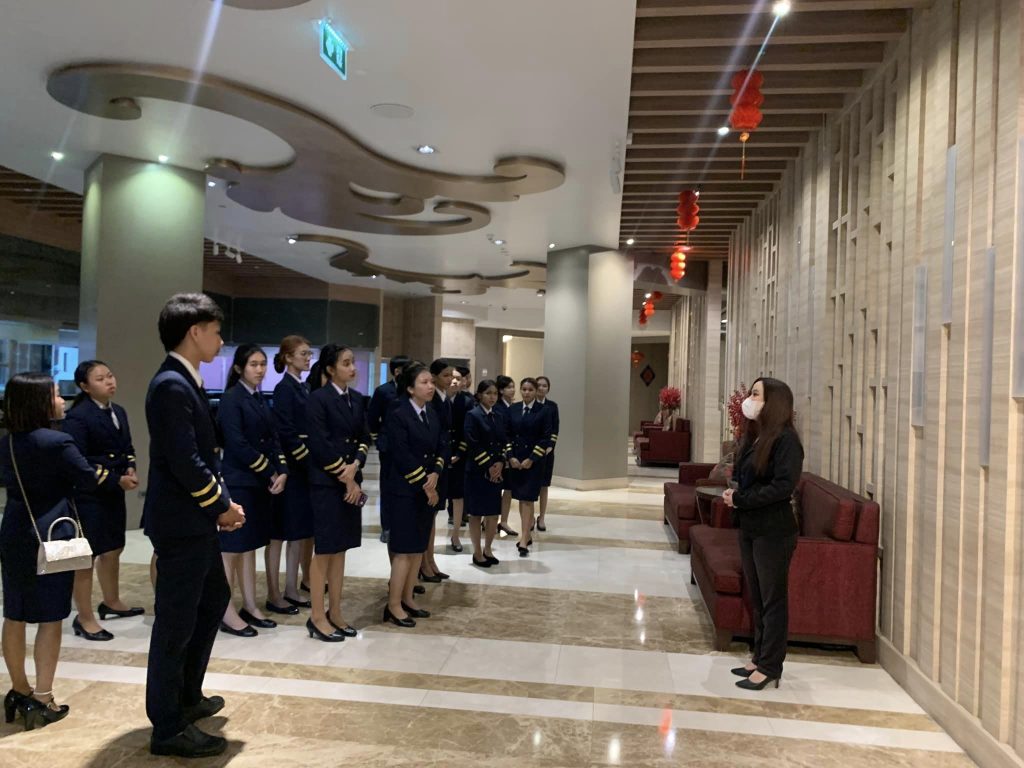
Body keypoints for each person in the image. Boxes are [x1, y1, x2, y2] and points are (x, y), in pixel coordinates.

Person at [144, 293, 246, 758]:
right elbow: (184, 461)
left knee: (211, 601)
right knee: (176, 622)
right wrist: (220, 506)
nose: (220, 341)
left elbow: (202, 455)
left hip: (194, 519)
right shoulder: (171, 384)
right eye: (216, 332)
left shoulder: (185, 380)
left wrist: (220, 503)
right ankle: (167, 725)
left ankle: (186, 696)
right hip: (181, 522)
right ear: (194, 332)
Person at [1, 373, 101, 731]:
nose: (62, 400)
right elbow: (87, 478)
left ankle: (19, 690)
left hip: (15, 528)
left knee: (14, 613)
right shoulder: (58, 441)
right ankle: (43, 697)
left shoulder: (6, 442)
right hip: (53, 530)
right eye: (57, 394)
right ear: (40, 402)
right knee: (51, 616)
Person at [722, 377, 803, 691]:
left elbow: (782, 487)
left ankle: (771, 665)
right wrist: (736, 495)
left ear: (774, 402)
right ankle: (759, 656)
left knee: (773, 600)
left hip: (773, 531)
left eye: (756, 394)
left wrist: (740, 499)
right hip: (750, 526)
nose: (749, 399)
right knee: (757, 597)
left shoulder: (787, 441)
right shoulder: (757, 437)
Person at [63, 360, 143, 642]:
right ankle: (84, 617)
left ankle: (112, 601)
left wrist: (130, 468)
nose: (109, 381)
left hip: (112, 493)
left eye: (110, 375)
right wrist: (115, 479)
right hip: (89, 494)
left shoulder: (117, 411)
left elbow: (127, 448)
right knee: (87, 555)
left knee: (113, 547)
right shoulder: (78, 417)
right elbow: (79, 462)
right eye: (100, 379)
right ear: (85, 387)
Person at [217, 344, 288, 637]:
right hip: (239, 481)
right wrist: (269, 470)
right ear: (239, 368)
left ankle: (250, 605)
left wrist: (282, 470)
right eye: (253, 364)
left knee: (249, 547)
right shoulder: (232, 398)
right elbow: (237, 444)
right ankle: (225, 610)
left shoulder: (258, 398)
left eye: (262, 364)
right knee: (231, 549)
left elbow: (273, 438)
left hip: (257, 482)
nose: (260, 370)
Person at [305, 344, 369, 642]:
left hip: (349, 479)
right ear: (331, 369)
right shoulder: (318, 399)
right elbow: (319, 444)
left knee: (341, 549)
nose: (352, 368)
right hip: (327, 484)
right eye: (346, 363)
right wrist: (345, 477)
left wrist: (356, 465)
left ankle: (336, 611)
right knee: (325, 549)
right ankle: (317, 616)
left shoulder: (356, 398)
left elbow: (364, 437)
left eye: (353, 362)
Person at [382, 363, 444, 627]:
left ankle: (407, 598)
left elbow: (442, 445)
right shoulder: (399, 414)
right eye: (424, 382)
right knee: (404, 550)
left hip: (426, 488)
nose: (430, 387)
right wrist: (425, 483)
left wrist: (436, 473)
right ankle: (393, 604)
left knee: (418, 547)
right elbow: (401, 454)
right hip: (404, 490)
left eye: (431, 382)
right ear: (410, 388)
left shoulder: (431, 413)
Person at [267, 335, 315, 614]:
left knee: (297, 533)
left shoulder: (303, 387)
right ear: (288, 357)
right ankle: (274, 592)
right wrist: (307, 460)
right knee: (280, 533)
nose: (308, 358)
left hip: (302, 470)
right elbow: (285, 431)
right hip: (289, 468)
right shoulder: (284, 388)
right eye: (303, 354)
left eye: (309, 354)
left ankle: (291, 588)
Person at [505, 378, 554, 556]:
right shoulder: (513, 409)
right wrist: (510, 456)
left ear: (536, 391)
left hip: (534, 462)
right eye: (524, 389)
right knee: (521, 498)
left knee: (528, 498)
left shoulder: (544, 410)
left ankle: (524, 539)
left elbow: (545, 437)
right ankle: (526, 534)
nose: (527, 393)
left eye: (530, 390)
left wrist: (532, 459)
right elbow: (507, 434)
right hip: (516, 461)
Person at [462, 379, 508, 567]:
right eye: (488, 393)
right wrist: (489, 465)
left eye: (495, 393)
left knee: (493, 513)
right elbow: (472, 442)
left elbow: (504, 441)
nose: (492, 397)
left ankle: (488, 549)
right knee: (476, 513)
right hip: (477, 471)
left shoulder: (498, 416)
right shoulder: (473, 415)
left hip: (496, 471)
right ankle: (477, 552)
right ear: (480, 395)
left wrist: (500, 462)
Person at [368, 354, 411, 545]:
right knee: (387, 486)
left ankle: (403, 523)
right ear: (397, 371)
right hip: (388, 446)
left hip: (408, 445)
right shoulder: (383, 391)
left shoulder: (411, 390)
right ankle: (387, 526)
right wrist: (380, 437)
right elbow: (372, 418)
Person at [419, 358, 454, 583]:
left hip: (442, 464)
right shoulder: (431, 402)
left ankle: (430, 560)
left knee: (433, 516)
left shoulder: (445, 399)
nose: (450, 379)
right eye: (445, 376)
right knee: (427, 516)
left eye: (451, 375)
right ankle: (424, 562)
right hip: (430, 465)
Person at [446, 369, 469, 552]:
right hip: (439, 454)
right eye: (451, 378)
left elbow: (467, 431)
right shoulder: (436, 400)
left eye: (458, 379)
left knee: (458, 496)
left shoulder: (467, 402)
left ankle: (455, 535)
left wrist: (459, 453)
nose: (454, 381)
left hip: (459, 455)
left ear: (464, 382)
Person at [494, 374, 518, 538]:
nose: (512, 390)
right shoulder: (498, 408)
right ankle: (489, 519)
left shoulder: (514, 407)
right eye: (509, 387)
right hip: (499, 453)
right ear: (501, 390)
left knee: (508, 488)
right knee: (496, 488)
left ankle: (504, 521)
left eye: (513, 386)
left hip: (511, 452)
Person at [534, 375, 559, 532]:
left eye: (544, 386)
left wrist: (550, 446)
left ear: (548, 388)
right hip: (531, 452)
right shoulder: (530, 404)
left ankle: (541, 517)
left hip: (547, 452)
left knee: (544, 485)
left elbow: (555, 428)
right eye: (539, 385)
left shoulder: (552, 406)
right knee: (531, 486)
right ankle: (529, 517)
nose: (541, 388)